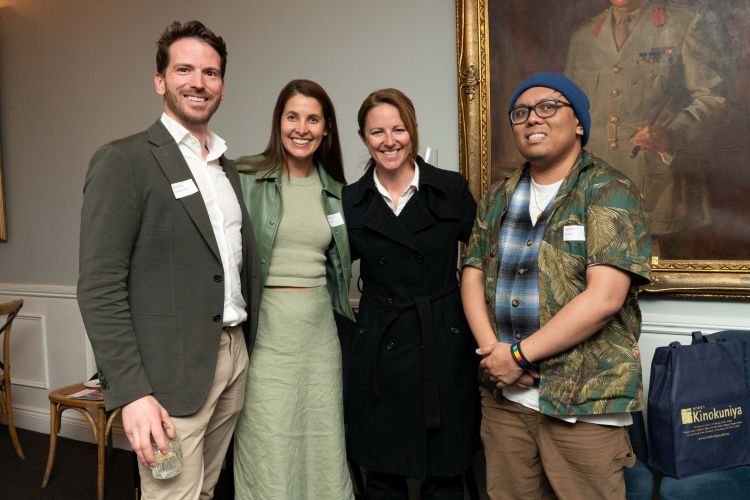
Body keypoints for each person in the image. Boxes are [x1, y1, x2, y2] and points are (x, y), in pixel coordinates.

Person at [77, 20, 260, 499]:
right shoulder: (124, 161)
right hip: (168, 377)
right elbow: (99, 286)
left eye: (210, 73)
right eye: (184, 70)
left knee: (205, 490)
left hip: (233, 356)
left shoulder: (226, 168)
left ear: (222, 85)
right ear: (160, 81)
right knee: (171, 494)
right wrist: (132, 392)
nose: (199, 82)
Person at [460, 72, 651, 499]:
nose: (532, 119)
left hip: (582, 403)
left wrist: (518, 355)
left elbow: (604, 298)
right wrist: (495, 354)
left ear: (579, 122)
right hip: (506, 401)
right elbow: (472, 273)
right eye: (521, 112)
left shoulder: (609, 191)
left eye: (548, 107)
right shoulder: (498, 196)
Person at [343, 88, 478, 500]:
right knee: (383, 475)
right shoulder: (351, 200)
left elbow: (485, 262)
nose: (389, 141)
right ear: (363, 137)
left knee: (446, 472)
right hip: (380, 345)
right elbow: (325, 266)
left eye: (398, 129)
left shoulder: (450, 188)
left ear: (413, 130)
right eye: (377, 132)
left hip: (443, 340)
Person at [232, 79, 354, 499]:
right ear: (278, 122)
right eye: (292, 117)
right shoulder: (244, 177)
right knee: (267, 441)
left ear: (326, 128)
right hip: (265, 333)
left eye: (313, 119)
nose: (301, 128)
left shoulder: (338, 192)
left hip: (319, 335)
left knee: (322, 443)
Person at [564, 0, 727, 256]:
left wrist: (671, 135)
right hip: (597, 194)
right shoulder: (583, 37)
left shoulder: (685, 24)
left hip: (660, 192)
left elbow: (713, 98)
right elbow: (569, 114)